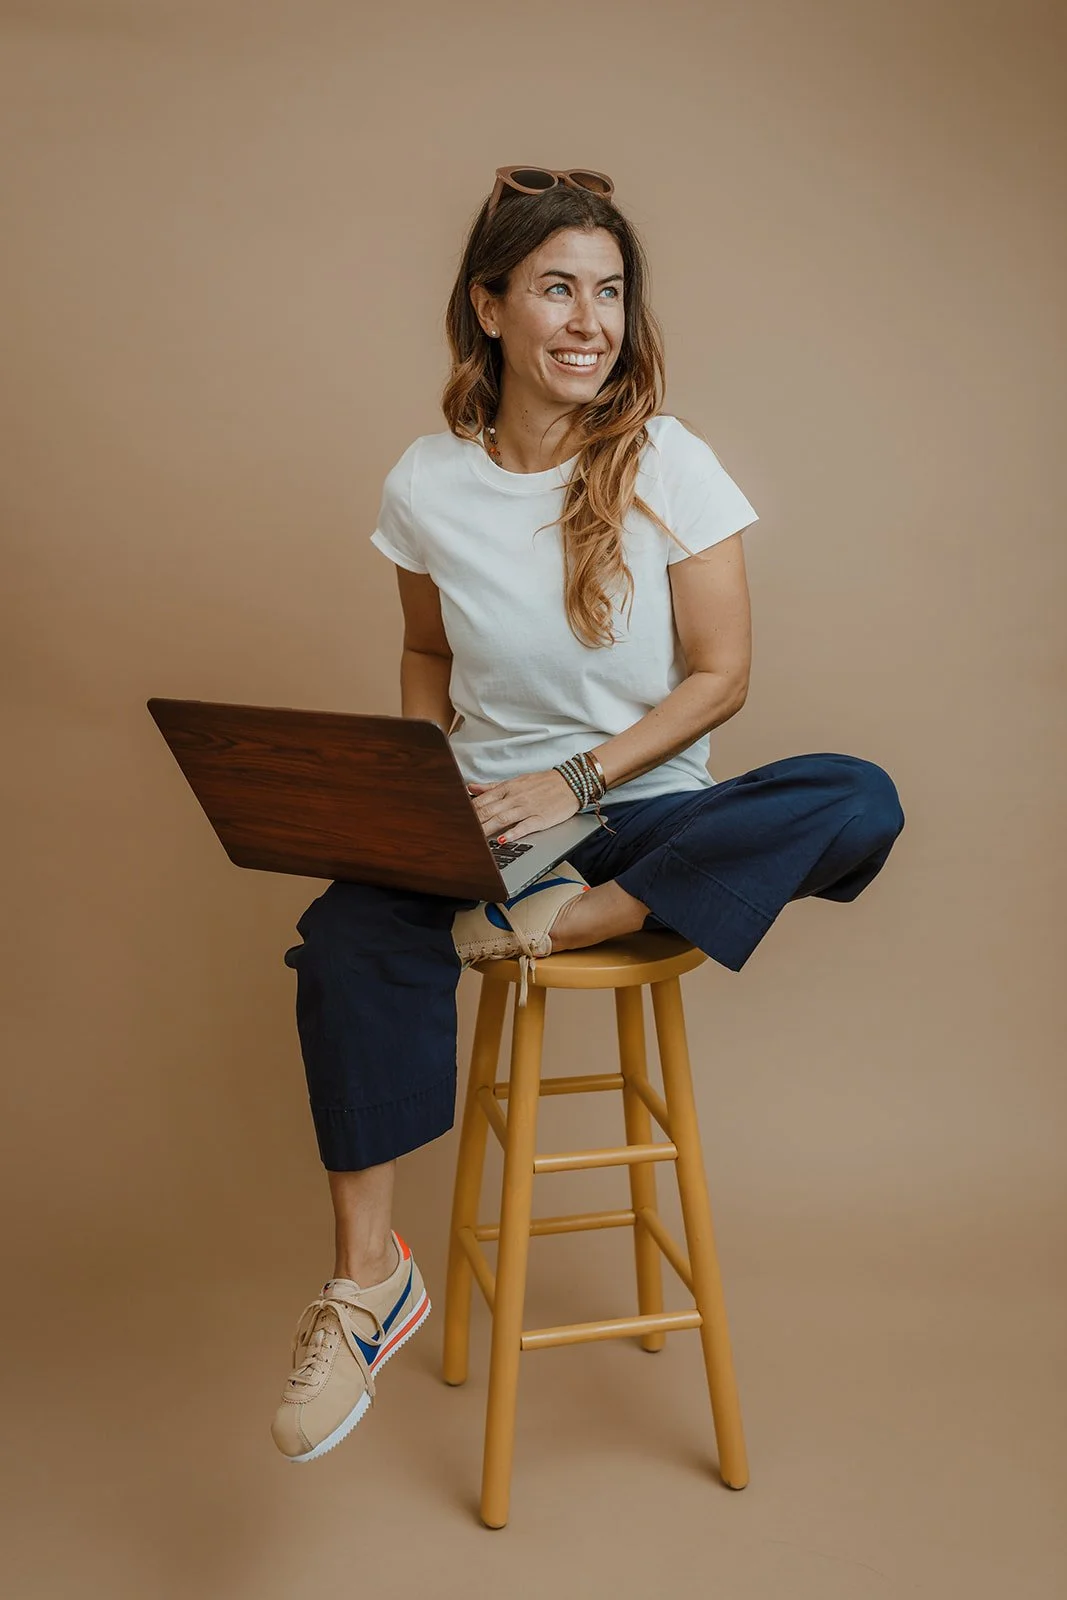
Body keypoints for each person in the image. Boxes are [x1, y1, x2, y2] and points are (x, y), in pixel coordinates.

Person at [270, 166, 905, 1463]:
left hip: (647, 822)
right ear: (488, 306)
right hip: (491, 830)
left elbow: (720, 677)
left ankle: (574, 922)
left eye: (609, 292)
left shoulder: (669, 460)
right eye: (556, 288)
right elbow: (431, 659)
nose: (587, 320)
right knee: (343, 935)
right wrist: (429, 779)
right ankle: (363, 1287)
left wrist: (579, 784)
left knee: (855, 795)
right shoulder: (426, 484)